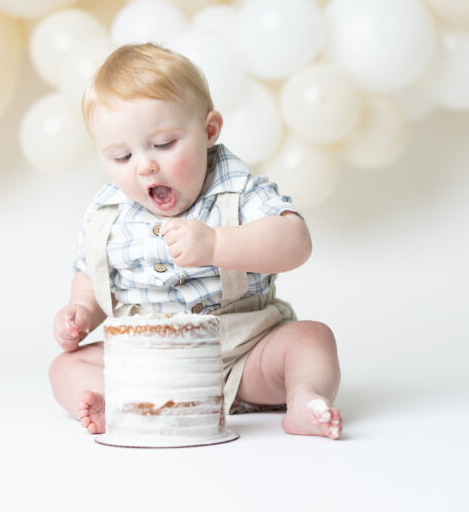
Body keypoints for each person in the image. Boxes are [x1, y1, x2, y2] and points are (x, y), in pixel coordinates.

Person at [48, 43, 342, 439]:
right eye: (121, 156)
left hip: (244, 355)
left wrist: (218, 245)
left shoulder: (239, 191)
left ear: (208, 131)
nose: (145, 165)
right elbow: (92, 274)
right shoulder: (107, 215)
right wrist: (81, 311)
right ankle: (114, 402)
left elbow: (295, 241)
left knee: (311, 338)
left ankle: (306, 398)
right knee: (65, 367)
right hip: (151, 366)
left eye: (164, 144)